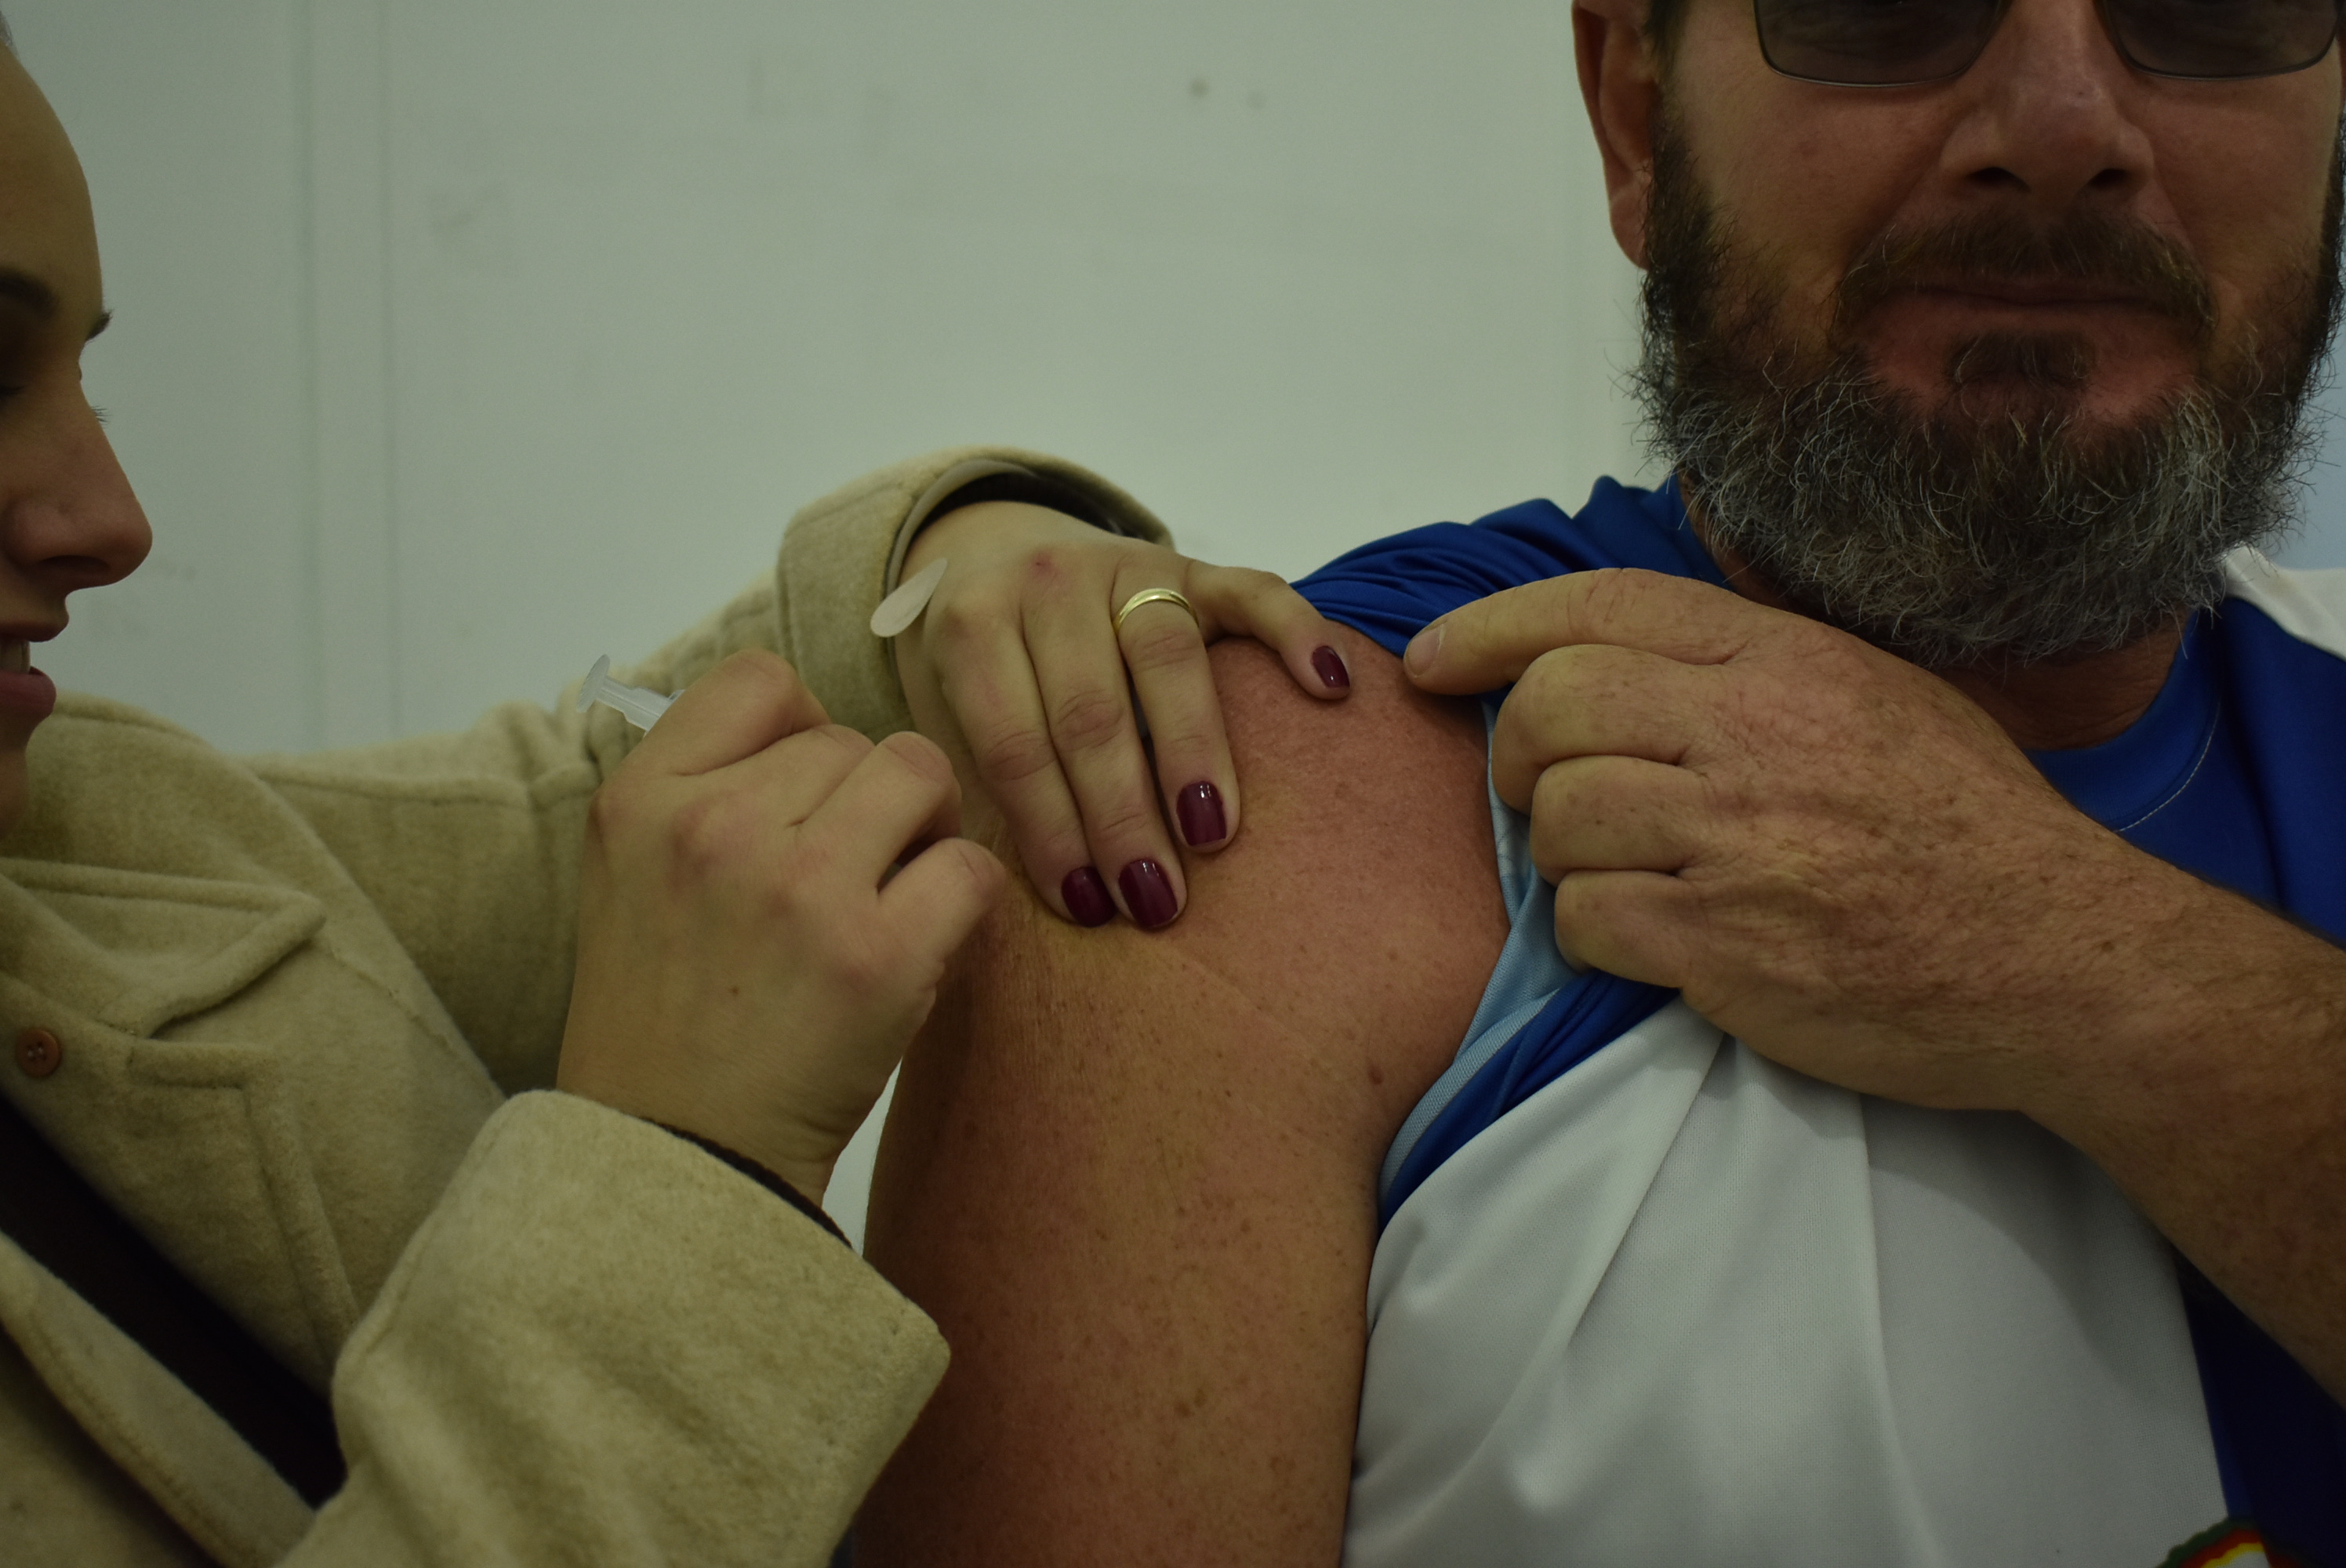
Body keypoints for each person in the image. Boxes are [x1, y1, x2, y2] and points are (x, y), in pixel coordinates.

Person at [848, 0, 2346, 1559]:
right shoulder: (1225, 796)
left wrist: (2070, 954)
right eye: (1884, 6)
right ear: (1635, 107)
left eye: (2211, 5)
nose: (2063, 128)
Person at [0, 20, 1360, 1563]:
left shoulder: (90, 838)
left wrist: (955, 566)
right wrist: (682, 1174)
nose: (111, 519)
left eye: (84, 377)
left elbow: (587, 799)